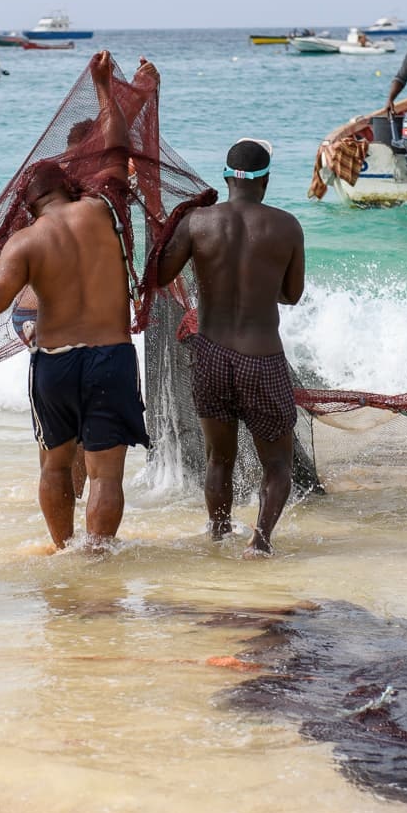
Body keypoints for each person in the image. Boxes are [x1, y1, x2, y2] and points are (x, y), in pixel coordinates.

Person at [0, 51, 156, 549]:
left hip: (54, 363)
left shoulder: (25, 241)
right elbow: (118, 144)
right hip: (111, 356)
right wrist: (104, 86)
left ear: (28, 205)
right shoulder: (103, 210)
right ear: (69, 187)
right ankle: (97, 559)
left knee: (56, 464)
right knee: (105, 476)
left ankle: (63, 553)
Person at [156, 138, 305, 557]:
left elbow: (160, 273)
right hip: (262, 359)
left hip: (211, 356)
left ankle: (219, 535)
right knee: (276, 463)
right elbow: (292, 295)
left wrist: (178, 224)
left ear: (226, 178)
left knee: (218, 459)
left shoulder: (198, 222)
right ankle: (260, 542)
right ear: (267, 181)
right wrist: (260, 283)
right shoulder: (287, 226)